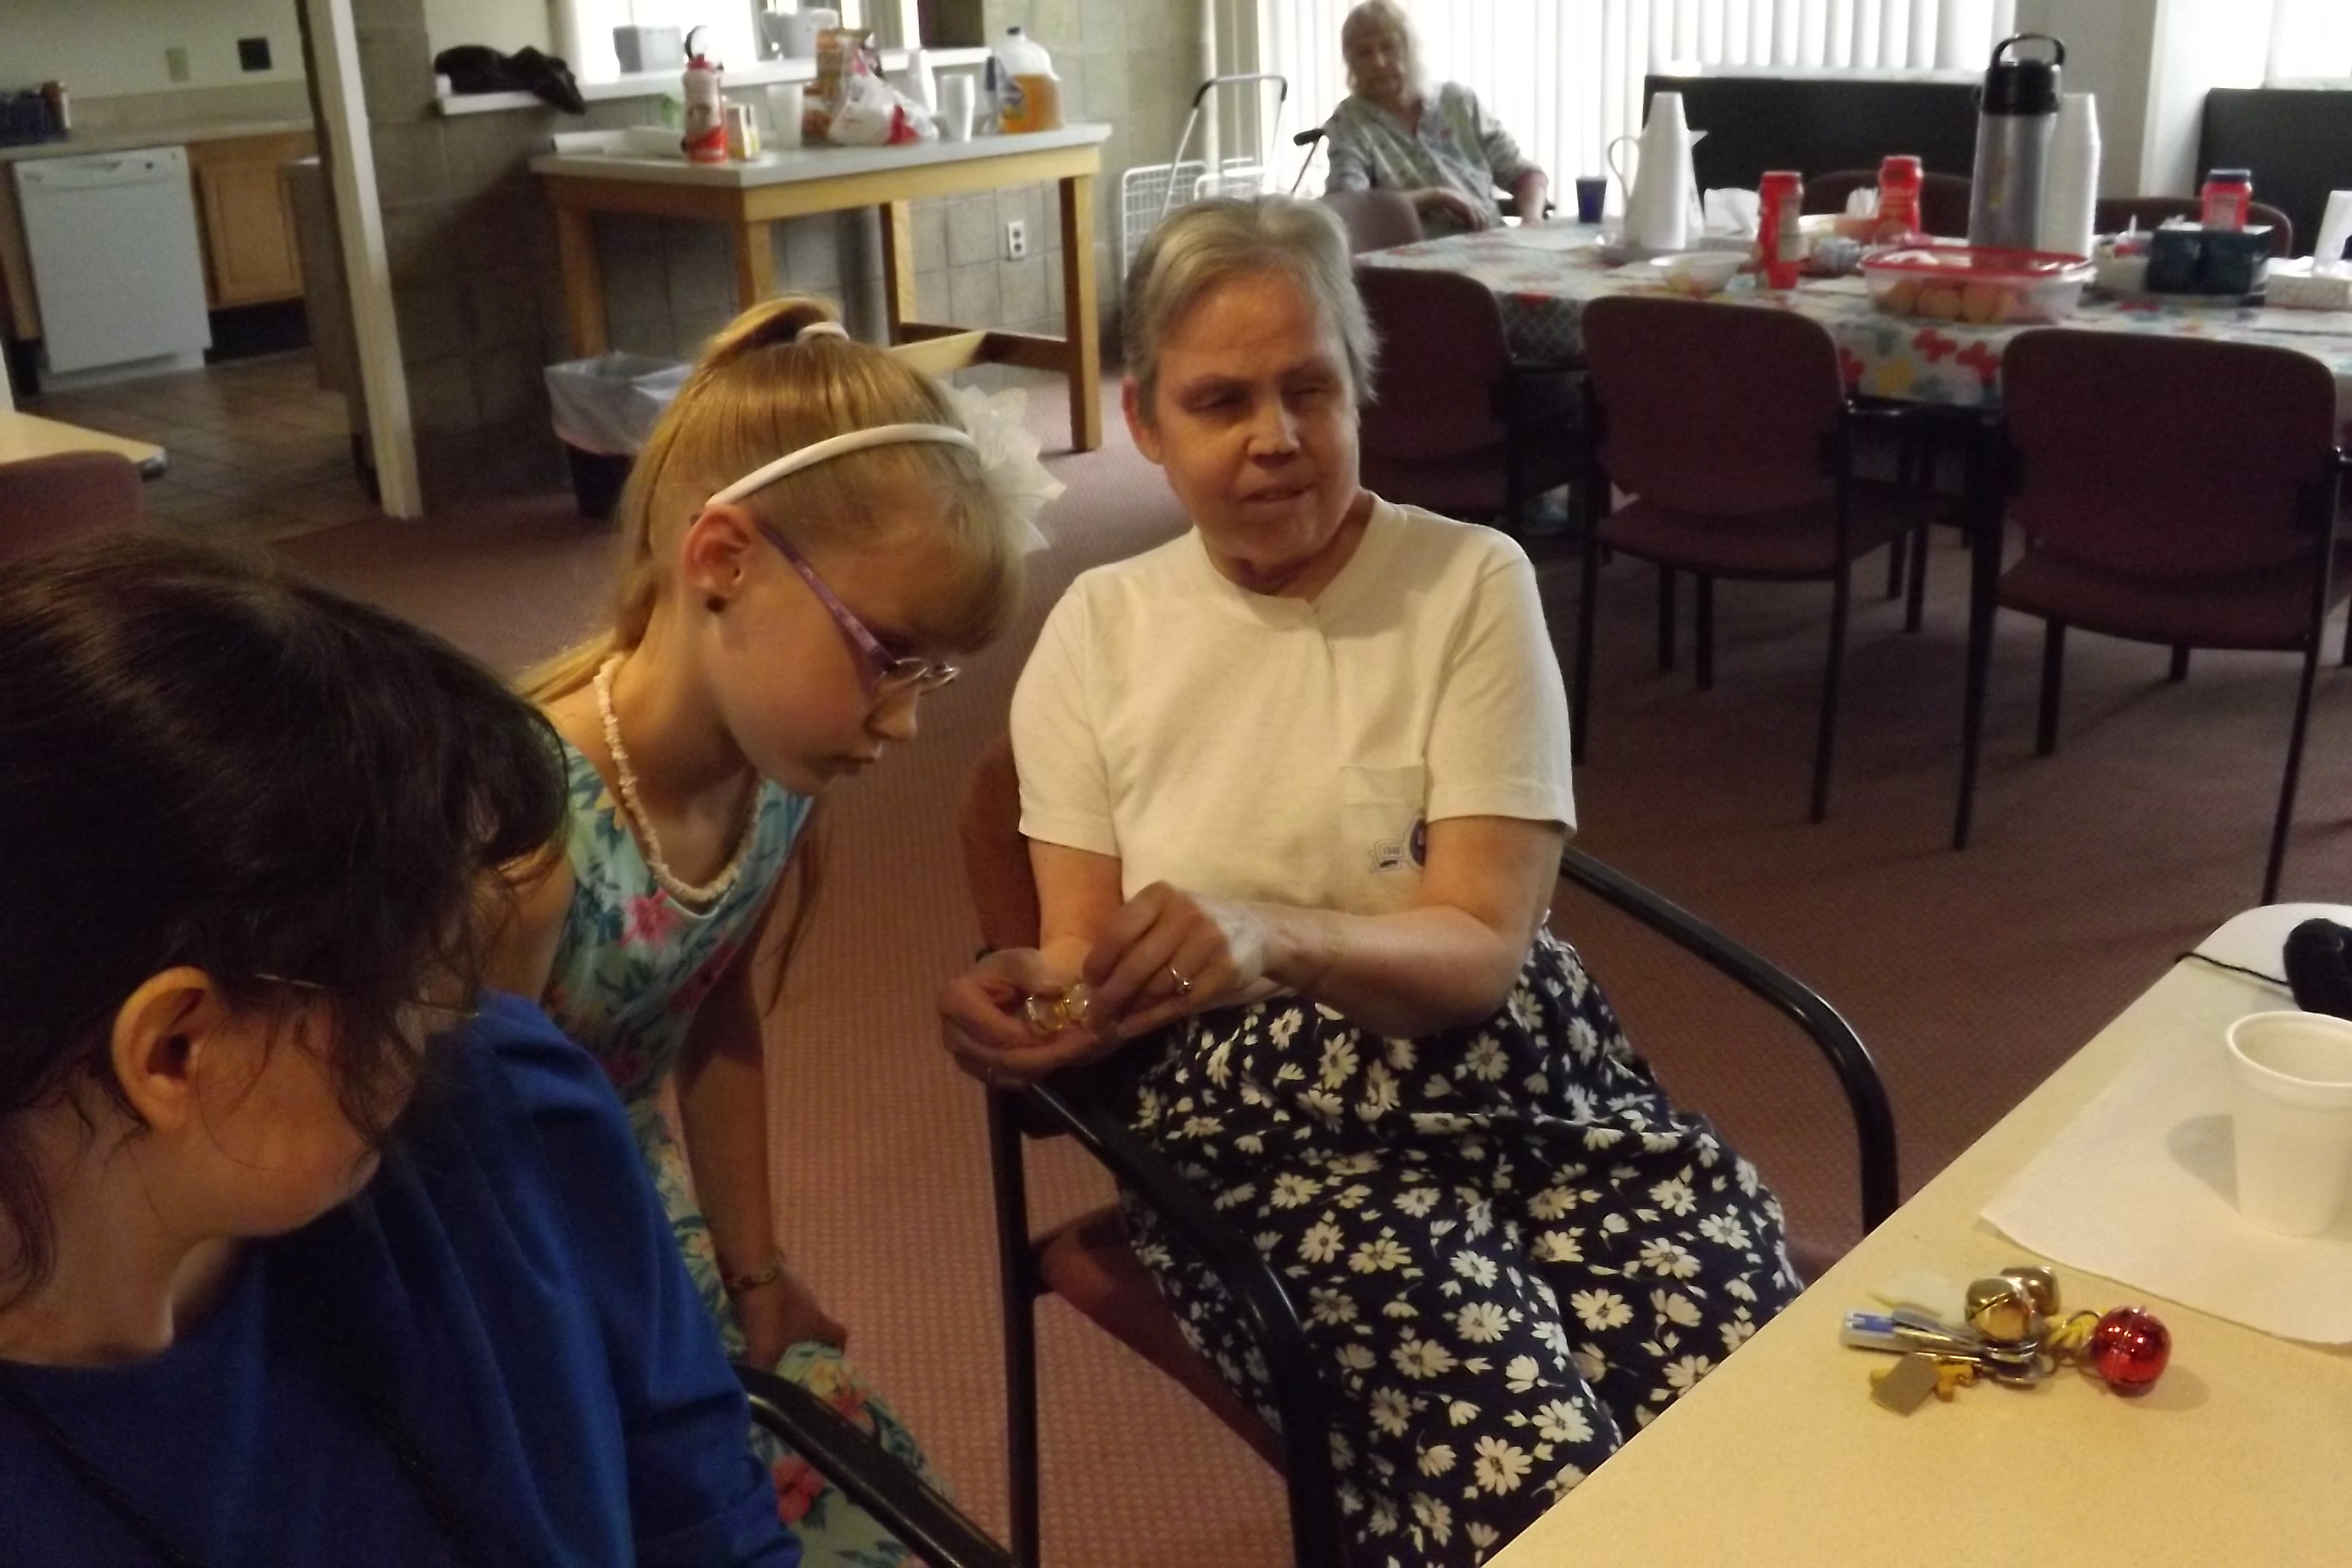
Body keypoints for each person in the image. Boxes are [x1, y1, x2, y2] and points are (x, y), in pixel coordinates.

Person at [939, 194, 1798, 1568]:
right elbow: (1081, 964)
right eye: (1220, 402)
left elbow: (1477, 950)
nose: (1273, 437)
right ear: (1147, 423)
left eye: (1308, 388)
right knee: (1540, 1479)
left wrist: (1274, 930)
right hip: (1256, 1138)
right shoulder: (1101, 630)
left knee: (1750, 1399)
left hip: (1516, 1078)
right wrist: (1015, 1003)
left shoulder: (1469, 581)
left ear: (1360, 388)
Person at [0, 534, 796, 1566]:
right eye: (409, 991)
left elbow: (710, 1527)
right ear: (175, 1051)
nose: (454, 1024)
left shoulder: (512, 1113)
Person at [491, 295, 1044, 1562]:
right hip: (506, 1266)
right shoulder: (521, 839)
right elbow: (458, 1166)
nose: (904, 723)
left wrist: (756, 1272)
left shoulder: (775, 771)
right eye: (884, 653)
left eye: (931, 676)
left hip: (631, 1215)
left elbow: (715, 1009)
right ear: (722, 559)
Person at [1322, 0, 1548, 238]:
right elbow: (1350, 206)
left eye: (1388, 47)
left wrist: (1531, 222)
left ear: (1410, 49)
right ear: (1351, 62)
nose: (1378, 62)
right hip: (1412, 257)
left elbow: (1525, 175)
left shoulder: (1459, 102)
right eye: (1364, 53)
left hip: (1490, 244)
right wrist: (1436, 197)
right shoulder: (1350, 121)